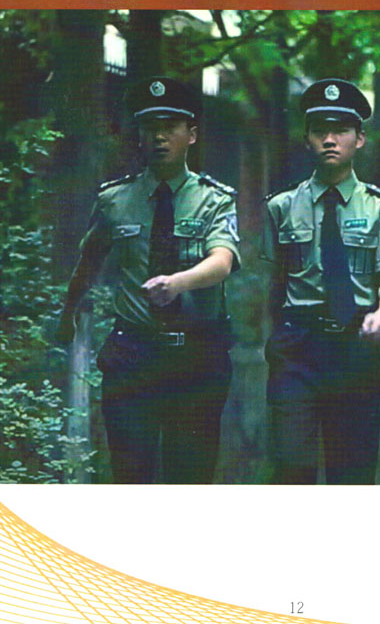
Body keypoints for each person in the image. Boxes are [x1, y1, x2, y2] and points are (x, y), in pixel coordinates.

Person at [56, 76, 240, 483]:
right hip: (134, 355)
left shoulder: (214, 200)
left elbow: (223, 261)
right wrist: (68, 313)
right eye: (150, 127)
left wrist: (178, 282)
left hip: (195, 357)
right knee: (130, 474)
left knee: (188, 478)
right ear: (139, 135)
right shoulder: (115, 200)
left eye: (170, 127)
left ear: (191, 135)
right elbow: (88, 261)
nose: (159, 137)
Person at [261, 78, 380, 484]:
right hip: (297, 348)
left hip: (355, 344)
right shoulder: (281, 208)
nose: (330, 139)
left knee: (353, 472)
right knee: (291, 467)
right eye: (320, 131)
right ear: (307, 138)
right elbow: (273, 279)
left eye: (341, 130)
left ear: (359, 139)